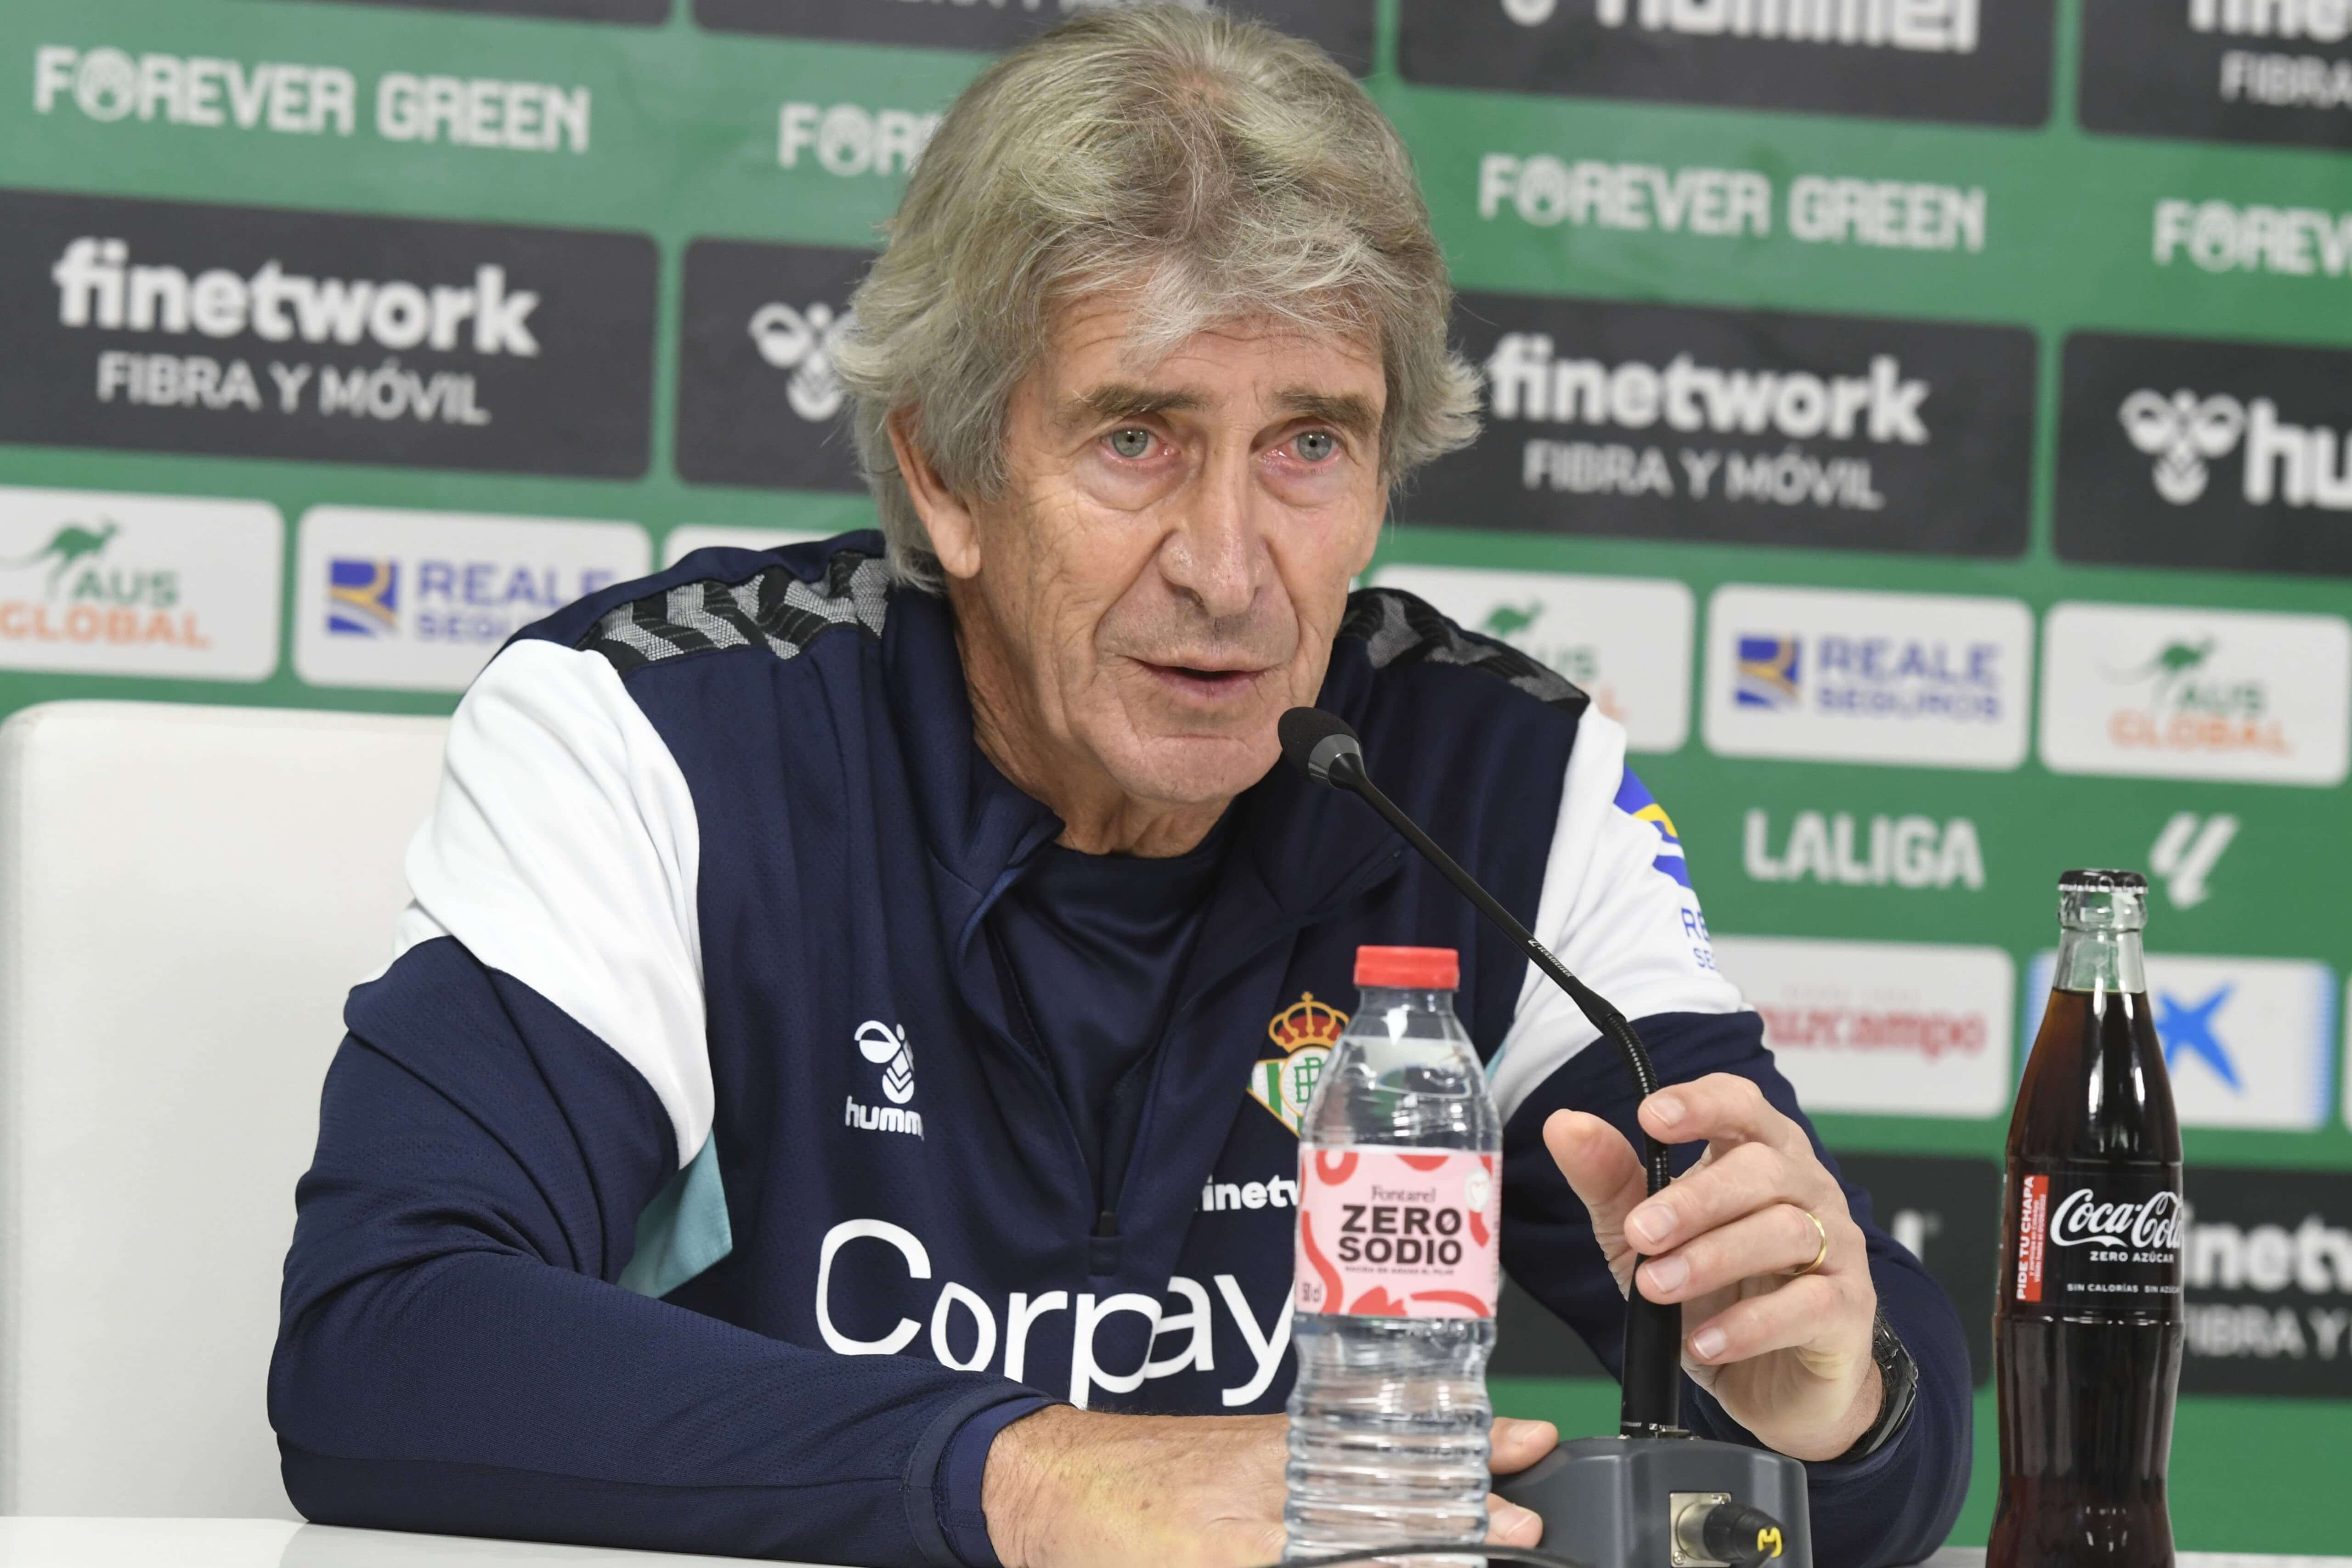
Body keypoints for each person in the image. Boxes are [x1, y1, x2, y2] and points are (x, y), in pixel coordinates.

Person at [269, 10, 1970, 1567]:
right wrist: (1032, 1476)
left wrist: (1832, 1399)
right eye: (1137, 437)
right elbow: (390, 1338)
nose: (1231, 568)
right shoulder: (658, 735)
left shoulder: (1494, 782)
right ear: (947, 474)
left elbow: (1866, 1457)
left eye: (1308, 442)